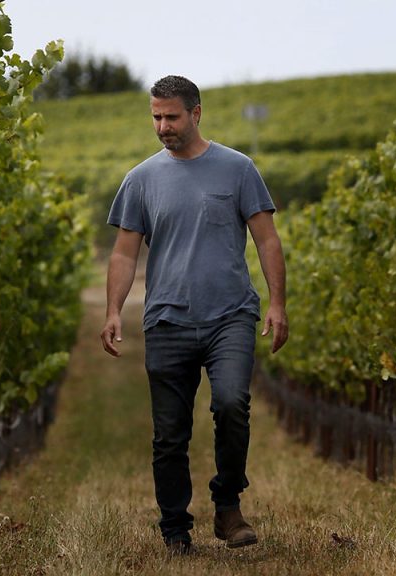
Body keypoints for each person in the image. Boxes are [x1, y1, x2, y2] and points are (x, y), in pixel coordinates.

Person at [100, 75, 288, 555]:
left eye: (172, 116)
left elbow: (266, 239)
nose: (163, 126)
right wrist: (113, 311)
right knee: (169, 435)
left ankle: (228, 505)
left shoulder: (238, 169)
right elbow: (124, 254)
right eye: (156, 117)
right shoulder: (140, 179)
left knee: (231, 404)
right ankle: (176, 530)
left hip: (230, 315)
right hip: (167, 320)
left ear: (196, 113)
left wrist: (278, 303)